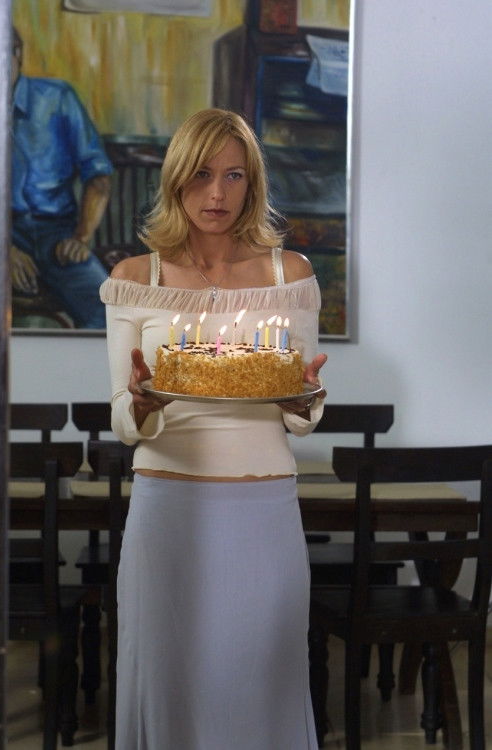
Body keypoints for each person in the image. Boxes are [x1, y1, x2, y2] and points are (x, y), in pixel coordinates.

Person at [100, 108, 327, 749]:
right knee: (169, 682)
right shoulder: (133, 279)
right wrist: (142, 402)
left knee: (261, 685)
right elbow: (122, 420)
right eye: (201, 175)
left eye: (234, 175)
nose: (217, 194)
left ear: (253, 183)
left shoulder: (290, 276)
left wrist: (306, 397)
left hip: (264, 509)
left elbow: (303, 418)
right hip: (168, 506)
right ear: (176, 179)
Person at [10, 26, 113, 329]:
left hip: (58, 233)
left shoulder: (58, 98)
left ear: (17, 54)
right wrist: (2, 250)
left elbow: (99, 176)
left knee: (108, 315)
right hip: (1, 231)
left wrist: (81, 238)